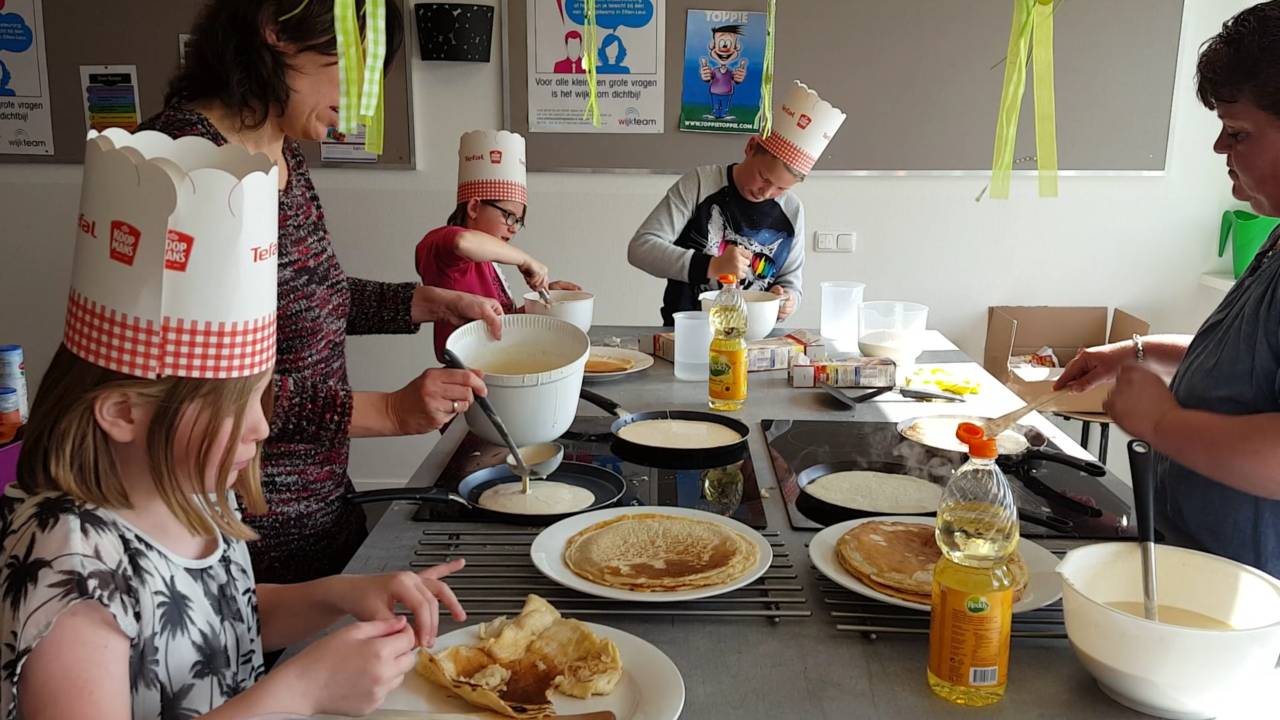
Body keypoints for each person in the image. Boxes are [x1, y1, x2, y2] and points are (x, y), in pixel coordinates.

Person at [1, 130, 465, 719]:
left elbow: (227, 624)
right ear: (123, 412)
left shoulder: (198, 488)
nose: (262, 427)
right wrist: (300, 691)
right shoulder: (70, 568)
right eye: (235, 403)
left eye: (260, 396)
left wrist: (339, 595)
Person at [138, 0, 502, 585]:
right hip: (241, 538)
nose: (365, 103)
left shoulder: (279, 150)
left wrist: (425, 301)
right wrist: (388, 410)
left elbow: (310, 298)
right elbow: (193, 391)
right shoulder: (182, 165)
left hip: (320, 513)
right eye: (353, 72)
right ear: (276, 31)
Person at [1055, 1, 1280, 577]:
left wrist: (1160, 424)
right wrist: (1137, 353)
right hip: (1195, 560)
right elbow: (1247, 370)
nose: (1219, 149)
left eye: (1238, 132)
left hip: (1249, 603)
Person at [628, 80, 846, 325]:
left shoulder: (792, 210)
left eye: (781, 188)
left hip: (754, 339)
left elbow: (789, 281)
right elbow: (641, 248)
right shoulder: (701, 183)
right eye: (763, 177)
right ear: (751, 147)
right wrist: (712, 266)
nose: (766, 192)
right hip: (688, 333)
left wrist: (786, 300)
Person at [417, 130, 582, 361]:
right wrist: (525, 259)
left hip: (495, 365)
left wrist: (542, 301)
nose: (514, 228)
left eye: (519, 221)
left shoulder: (487, 262)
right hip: (465, 374)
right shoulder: (443, 249)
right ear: (474, 208)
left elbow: (502, 322)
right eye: (509, 216)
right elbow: (462, 241)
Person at [698, 24, 748, 119]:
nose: (725, 48)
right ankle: (716, 114)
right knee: (716, 104)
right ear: (712, 46)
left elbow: (736, 79)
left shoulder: (730, 72)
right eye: (721, 43)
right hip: (715, 92)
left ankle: (724, 114)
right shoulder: (715, 71)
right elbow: (708, 77)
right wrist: (705, 73)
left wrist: (740, 74)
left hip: (727, 92)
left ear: (736, 46)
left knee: (725, 104)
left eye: (729, 43)